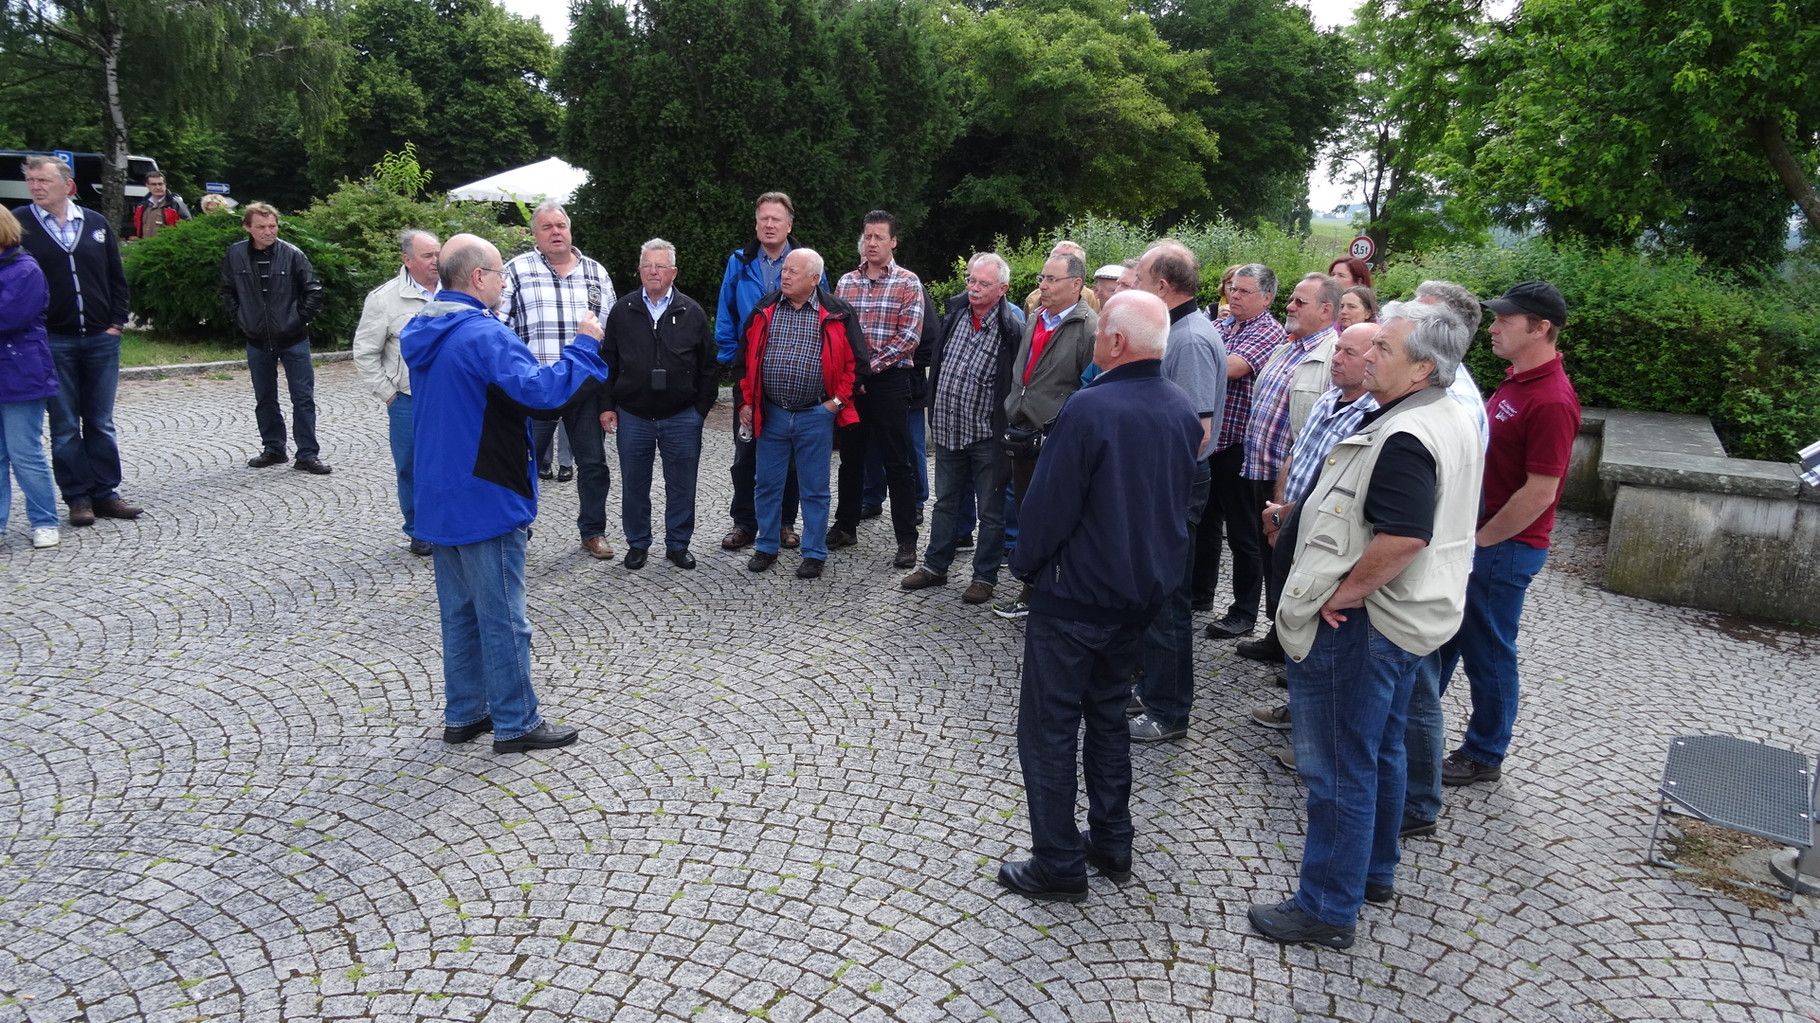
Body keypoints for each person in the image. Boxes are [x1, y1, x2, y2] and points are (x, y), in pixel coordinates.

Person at [1247, 301, 1482, 949]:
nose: (1371, 354)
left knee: (1338, 769)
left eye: (1385, 348)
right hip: (1401, 620)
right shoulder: (1441, 413)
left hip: (1367, 624)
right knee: (1377, 751)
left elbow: (1405, 535)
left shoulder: (1407, 434)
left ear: (1422, 369)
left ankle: (1326, 906)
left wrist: (1344, 594)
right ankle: (1372, 871)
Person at [995, 290, 1202, 903]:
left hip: (1077, 597)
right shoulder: (1181, 409)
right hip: (1139, 596)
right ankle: (1112, 840)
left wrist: (1025, 564)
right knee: (1107, 716)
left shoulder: (1091, 408)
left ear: (1113, 341)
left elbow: (1049, 506)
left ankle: (1057, 860)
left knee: (1050, 726)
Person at [400, 234, 609, 754]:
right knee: (503, 617)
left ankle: (465, 713)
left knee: (460, 613)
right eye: (498, 274)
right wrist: (584, 344)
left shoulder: (422, 324)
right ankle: (516, 722)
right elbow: (541, 394)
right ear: (477, 278)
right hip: (484, 492)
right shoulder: (481, 334)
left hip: (440, 493)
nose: (502, 281)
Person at [1437, 281, 1581, 788]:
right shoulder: (1517, 382)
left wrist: (1480, 542)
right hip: (1484, 540)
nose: (1493, 328)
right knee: (1444, 639)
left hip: (1504, 548)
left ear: (1541, 328)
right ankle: (1415, 727)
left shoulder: (1551, 399)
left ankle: (1484, 752)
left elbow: (1540, 491)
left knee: (1489, 651)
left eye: (1505, 321)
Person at [1125, 240, 1227, 744]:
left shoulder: (1186, 341)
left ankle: (1169, 710)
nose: (1135, 286)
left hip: (1176, 484)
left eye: (1141, 279)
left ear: (1163, 286)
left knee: (1167, 599)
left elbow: (1195, 431)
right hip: (1167, 481)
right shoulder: (1179, 330)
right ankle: (1152, 689)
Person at [13, 155, 141, 528]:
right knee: (66, 424)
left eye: (43, 180)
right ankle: (78, 498)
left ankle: (106, 494)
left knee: (100, 421)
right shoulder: (20, 224)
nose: (36, 187)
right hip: (53, 340)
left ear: (67, 185)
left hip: (101, 339)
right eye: (31, 181)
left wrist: (117, 323)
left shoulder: (95, 223)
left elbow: (117, 278)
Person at [899, 252, 1022, 604]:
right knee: (945, 503)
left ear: (1002, 288)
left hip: (987, 435)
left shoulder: (1012, 328)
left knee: (991, 511)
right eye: (971, 280)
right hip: (950, 429)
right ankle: (935, 566)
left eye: (984, 283)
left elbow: (1015, 384)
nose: (975, 288)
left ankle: (984, 577)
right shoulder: (954, 315)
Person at [736, 248, 866, 579]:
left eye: (794, 271)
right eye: (785, 270)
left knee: (815, 488)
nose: (786, 275)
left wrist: (835, 404)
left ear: (814, 278)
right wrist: (747, 402)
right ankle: (766, 546)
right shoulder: (765, 307)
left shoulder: (838, 312)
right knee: (766, 484)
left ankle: (813, 552)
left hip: (815, 415)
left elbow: (857, 365)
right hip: (773, 413)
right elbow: (745, 359)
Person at [498, 200, 616, 560]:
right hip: (536, 385)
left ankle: (592, 531)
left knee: (593, 464)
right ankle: (517, 527)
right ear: (535, 235)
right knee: (520, 462)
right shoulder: (516, 271)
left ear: (570, 229)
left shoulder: (596, 273)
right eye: (546, 227)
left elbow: (611, 336)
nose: (555, 232)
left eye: (560, 225)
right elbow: (498, 327)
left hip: (584, 388)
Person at [1234, 272, 1340, 662]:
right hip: (1260, 468)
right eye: (1292, 300)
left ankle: (1293, 645)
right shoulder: (1287, 346)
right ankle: (1276, 635)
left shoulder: (1332, 354)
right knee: (1269, 559)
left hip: (1291, 481)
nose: (1290, 307)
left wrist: (1288, 491)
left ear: (1327, 310)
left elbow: (1324, 429)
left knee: (1292, 561)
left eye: (1300, 302)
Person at [992, 251, 1098, 619]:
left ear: (1076, 284)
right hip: (1022, 431)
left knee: (1051, 517)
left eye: (1052, 279)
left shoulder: (1088, 327)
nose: (1043, 285)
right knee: (1026, 513)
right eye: (1042, 277)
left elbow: (1089, 388)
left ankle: (1043, 593)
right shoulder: (1036, 317)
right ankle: (1033, 587)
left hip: (1054, 438)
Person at [600, 239, 717, 570]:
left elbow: (709, 367)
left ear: (673, 271)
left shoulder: (691, 312)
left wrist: (699, 411)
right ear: (639, 270)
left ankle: (678, 544)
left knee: (682, 484)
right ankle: (637, 543)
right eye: (647, 265)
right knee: (634, 485)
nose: (653, 271)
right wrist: (607, 405)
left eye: (660, 265)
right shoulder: (622, 311)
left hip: (681, 415)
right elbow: (607, 362)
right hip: (633, 414)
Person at [830, 211, 924, 567]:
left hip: (889, 382)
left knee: (896, 461)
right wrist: (852, 374)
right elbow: (835, 334)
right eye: (867, 236)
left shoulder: (908, 283)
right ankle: (845, 525)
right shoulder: (846, 283)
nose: (871, 243)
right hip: (853, 383)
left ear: (893, 242)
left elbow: (909, 338)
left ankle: (906, 540)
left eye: (879, 237)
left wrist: (867, 369)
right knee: (850, 457)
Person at [1195, 264, 1284, 633]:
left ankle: (1244, 612)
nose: (1235, 296)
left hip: (1239, 445)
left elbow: (1231, 367)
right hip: (1210, 442)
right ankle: (1198, 595)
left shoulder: (1269, 331)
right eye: (1233, 288)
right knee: (1204, 524)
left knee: (1244, 533)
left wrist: (1197, 361)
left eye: (1245, 291)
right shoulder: (1221, 325)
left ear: (1267, 297)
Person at [715, 191, 805, 553]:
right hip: (748, 374)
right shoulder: (739, 262)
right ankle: (745, 522)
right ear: (756, 223)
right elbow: (726, 314)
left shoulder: (806, 263)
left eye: (776, 219)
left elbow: (824, 315)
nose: (769, 224)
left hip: (791, 374)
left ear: (789, 225)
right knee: (746, 450)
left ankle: (785, 522)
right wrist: (732, 359)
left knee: (791, 453)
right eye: (763, 218)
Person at [220, 202, 329, 475]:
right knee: (265, 397)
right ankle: (273, 448)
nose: (268, 232)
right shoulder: (235, 255)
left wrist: (297, 319)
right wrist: (242, 317)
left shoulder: (292, 254)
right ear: (248, 227)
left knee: (302, 397)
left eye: (272, 226)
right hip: (256, 337)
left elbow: (314, 291)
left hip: (293, 338)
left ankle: (307, 454)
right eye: (261, 227)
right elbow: (227, 290)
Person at [352, 228, 441, 554]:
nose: (436, 261)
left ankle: (453, 522)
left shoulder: (456, 290)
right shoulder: (384, 299)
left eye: (437, 254)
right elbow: (364, 352)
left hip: (452, 398)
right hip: (408, 399)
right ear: (407, 260)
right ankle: (419, 529)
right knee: (411, 465)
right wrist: (389, 395)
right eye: (427, 256)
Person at [0, 211, 61, 549]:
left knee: (24, 453)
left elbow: (9, 317)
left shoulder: (25, 269)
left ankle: (44, 520)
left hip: (21, 371)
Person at [1020, 241, 1102, 316]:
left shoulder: (1095, 301)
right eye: (1054, 258)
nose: (1042, 286)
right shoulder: (1033, 299)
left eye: (1065, 259)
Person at [130, 171, 191, 240]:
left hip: (167, 247)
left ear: (165, 184)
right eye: (154, 184)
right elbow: (135, 226)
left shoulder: (175, 204)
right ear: (147, 186)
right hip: (145, 247)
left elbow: (187, 226)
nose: (158, 187)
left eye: (160, 184)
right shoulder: (142, 206)